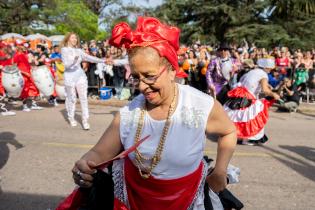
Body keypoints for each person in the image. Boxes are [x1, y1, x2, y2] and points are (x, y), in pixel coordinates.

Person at [71, 17, 237, 209]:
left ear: (172, 70)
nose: (142, 86)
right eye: (135, 77)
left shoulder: (200, 104)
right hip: (135, 202)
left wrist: (220, 169)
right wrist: (84, 164)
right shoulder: (129, 113)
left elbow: (228, 132)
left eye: (149, 76)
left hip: (189, 200)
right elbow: (99, 152)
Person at [223, 57, 280, 145]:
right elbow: (265, 90)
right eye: (270, 68)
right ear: (266, 67)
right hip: (249, 99)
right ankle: (249, 138)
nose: (271, 70)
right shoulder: (263, 75)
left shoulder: (252, 71)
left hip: (240, 98)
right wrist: (274, 95)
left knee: (239, 117)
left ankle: (238, 136)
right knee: (256, 117)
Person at [60, 32, 106, 130]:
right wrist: (74, 58)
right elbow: (66, 65)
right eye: (72, 38)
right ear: (68, 39)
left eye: (76, 38)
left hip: (80, 75)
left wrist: (103, 60)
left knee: (83, 98)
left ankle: (85, 120)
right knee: (71, 98)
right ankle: (71, 117)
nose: (75, 40)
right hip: (69, 76)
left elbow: (89, 58)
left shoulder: (79, 50)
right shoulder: (64, 50)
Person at [13, 40, 43, 112]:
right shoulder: (17, 55)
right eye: (23, 45)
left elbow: (29, 63)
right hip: (23, 75)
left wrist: (33, 65)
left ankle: (33, 104)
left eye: (25, 45)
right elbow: (14, 67)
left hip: (29, 74)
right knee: (25, 91)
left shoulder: (25, 54)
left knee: (34, 88)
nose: (25, 46)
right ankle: (25, 106)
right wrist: (23, 72)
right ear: (19, 46)